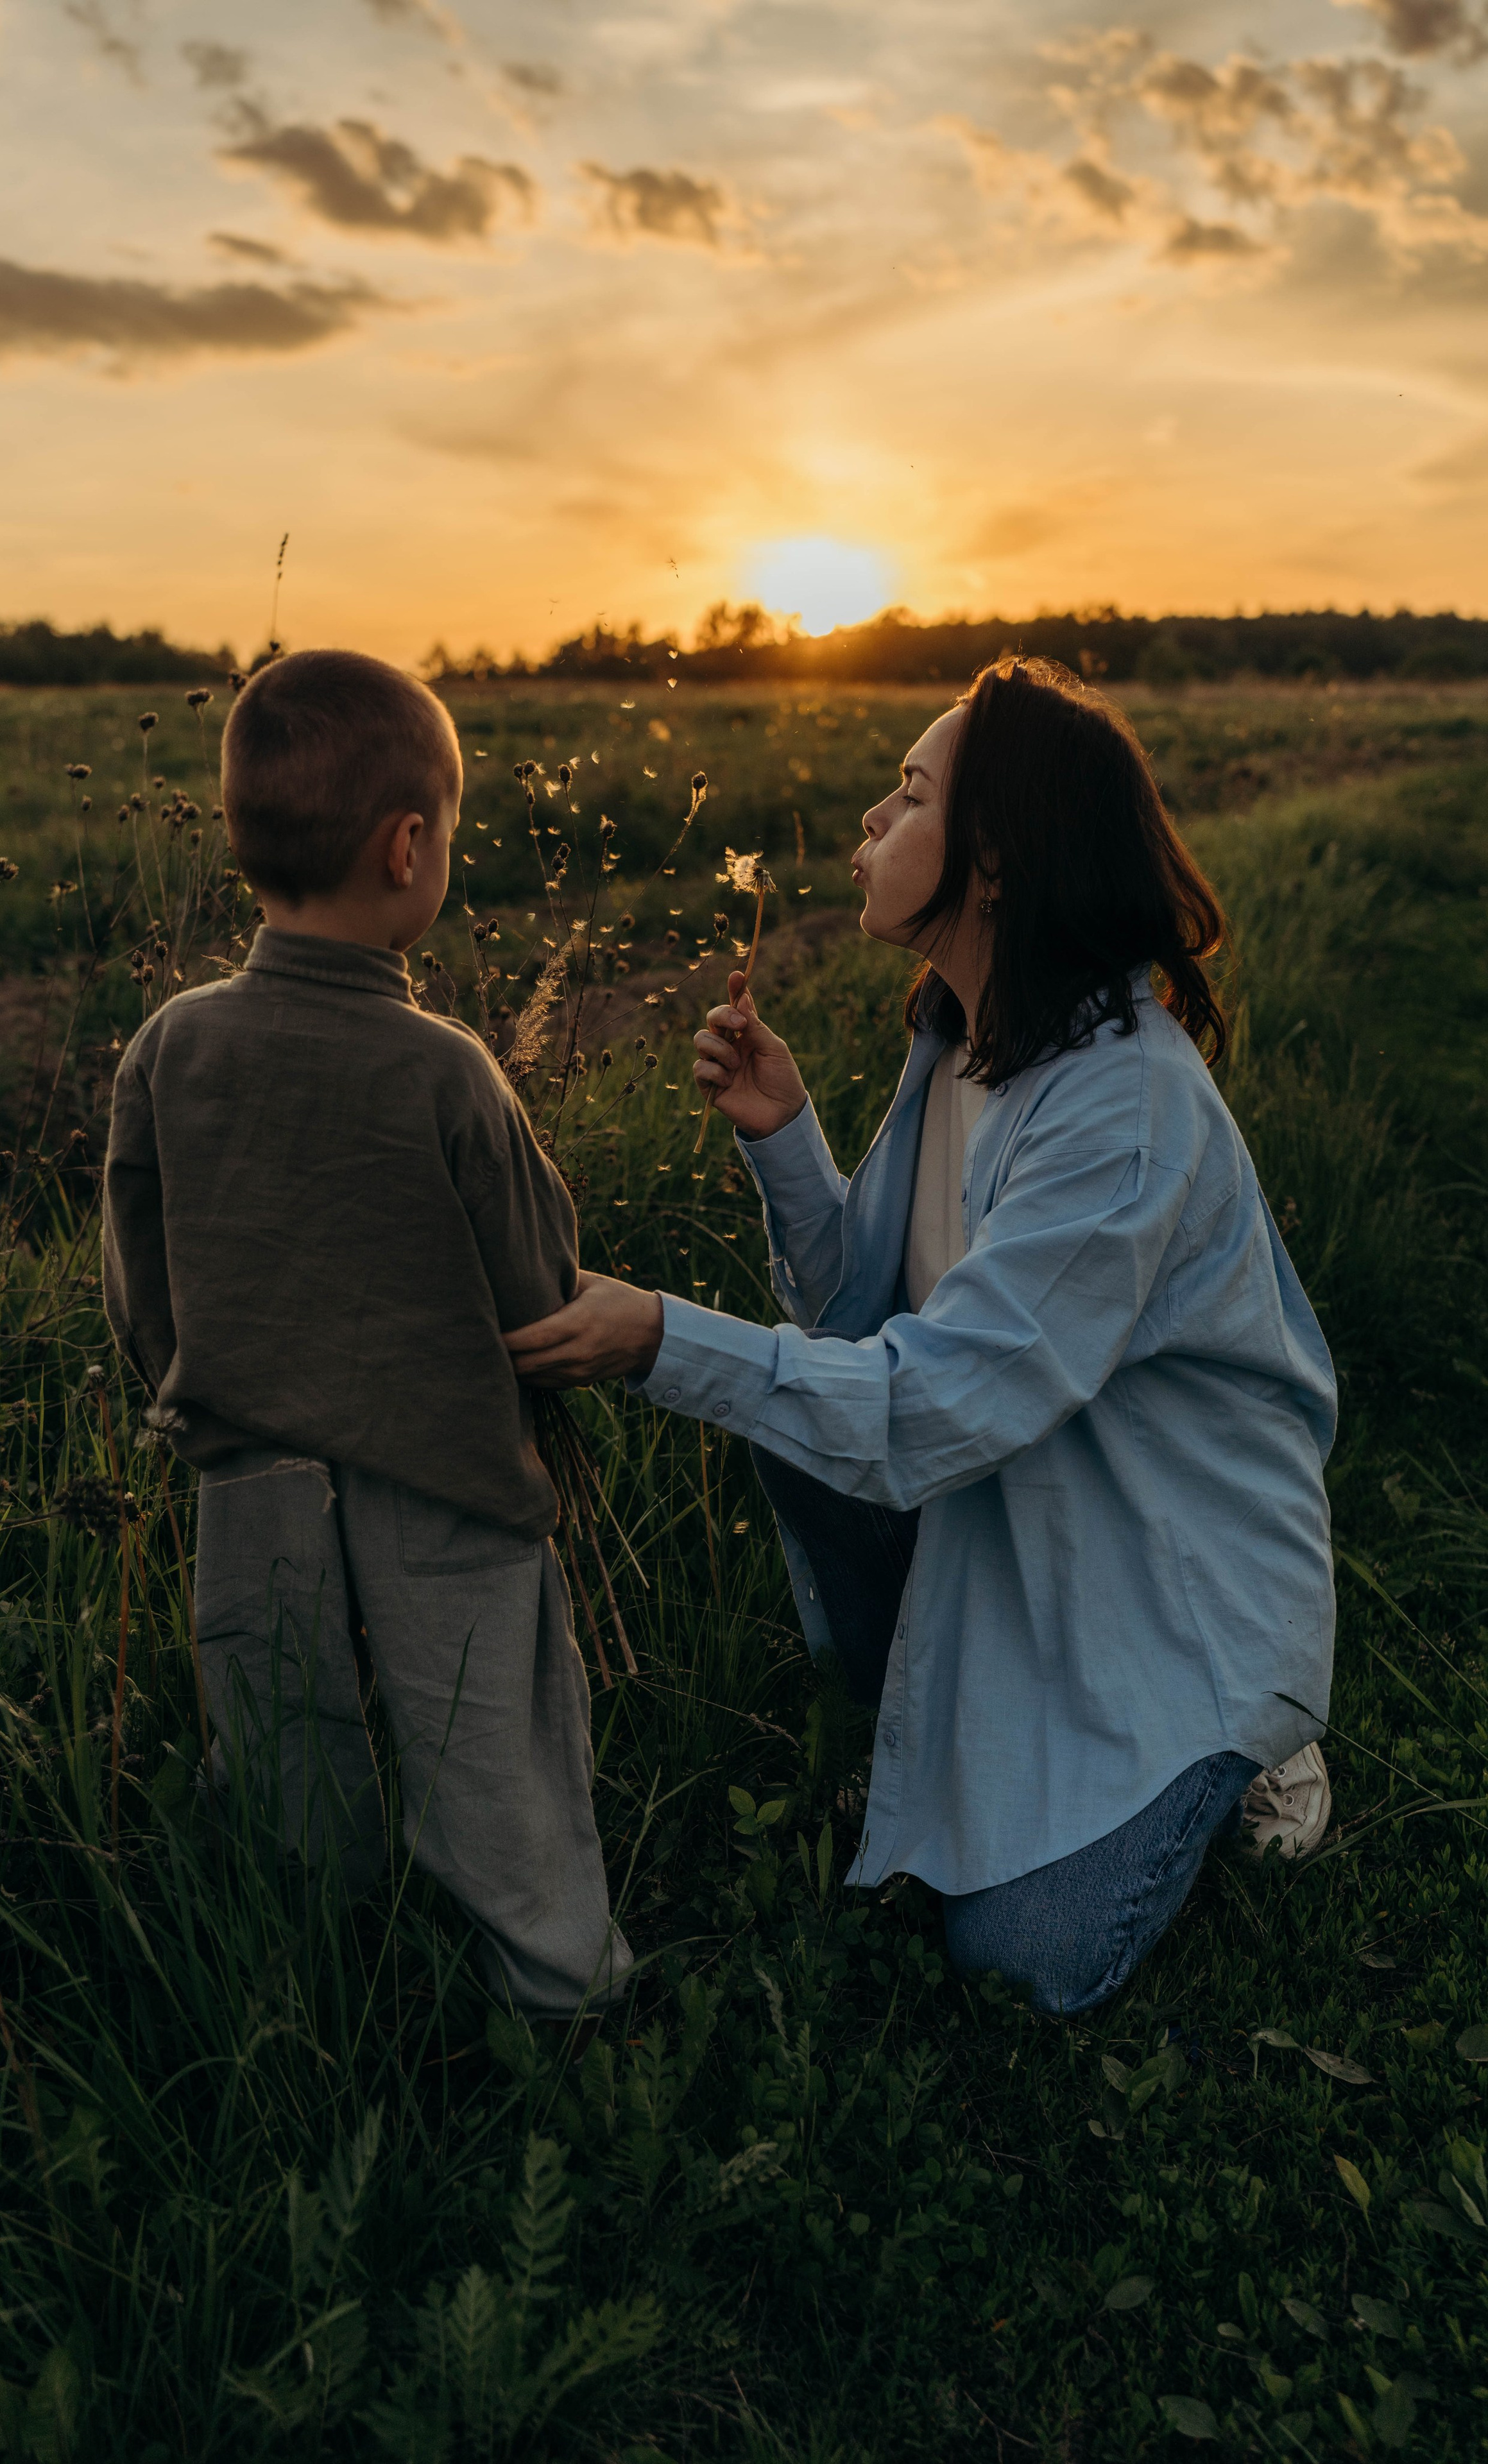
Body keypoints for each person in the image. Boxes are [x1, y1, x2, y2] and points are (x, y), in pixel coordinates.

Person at [506, 658, 1335, 2017]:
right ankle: (932, 1702)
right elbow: (863, 1322)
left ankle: (1238, 1739)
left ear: (994, 862)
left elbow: (929, 1406)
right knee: (795, 1424)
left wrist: (659, 1339)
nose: (867, 829)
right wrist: (784, 1141)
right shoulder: (966, 1034)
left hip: (1163, 1566)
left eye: (905, 797)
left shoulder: (1119, 1111)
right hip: (1025, 1495)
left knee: (1019, 1962)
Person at [102, 648, 631, 2019]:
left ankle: (311, 2016)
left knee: (283, 1781)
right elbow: (539, 1287)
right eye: (447, 829)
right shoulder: (446, 1068)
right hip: (446, 1485)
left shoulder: (170, 1047)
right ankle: (563, 2008)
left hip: (249, 1486)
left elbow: (138, 1279)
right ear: (408, 847)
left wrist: (198, 1392)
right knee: (496, 1782)